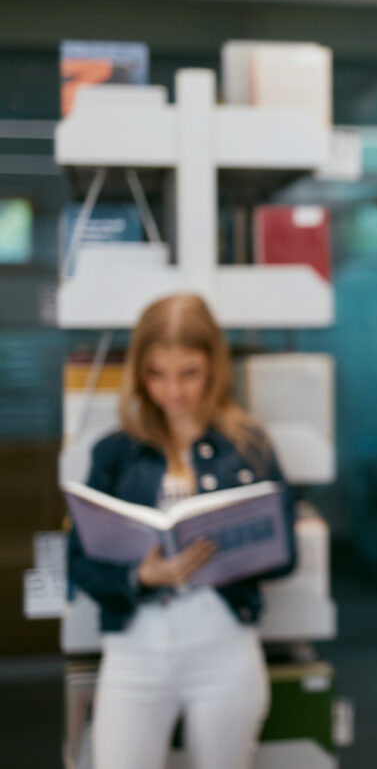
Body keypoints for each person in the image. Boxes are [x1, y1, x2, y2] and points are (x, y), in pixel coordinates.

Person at [67, 293, 296, 769]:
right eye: (156, 374)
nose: (173, 390)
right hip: (135, 652)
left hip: (223, 648)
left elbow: (286, 553)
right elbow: (80, 564)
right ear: (139, 372)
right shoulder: (115, 453)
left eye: (188, 373)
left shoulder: (247, 446)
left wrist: (229, 555)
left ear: (213, 365)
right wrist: (142, 578)